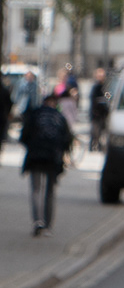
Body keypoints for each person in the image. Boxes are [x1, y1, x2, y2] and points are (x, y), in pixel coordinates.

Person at [20, 93, 71, 236]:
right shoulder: (59, 117)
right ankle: (48, 225)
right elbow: (67, 140)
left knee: (36, 189)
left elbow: (24, 136)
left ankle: (38, 221)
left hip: (35, 156)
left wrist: (31, 147)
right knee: (50, 192)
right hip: (53, 158)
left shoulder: (35, 114)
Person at [88, 66, 110, 151]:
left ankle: (99, 145)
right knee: (95, 131)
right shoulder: (96, 86)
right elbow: (93, 99)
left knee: (101, 130)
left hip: (103, 113)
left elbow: (108, 97)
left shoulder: (105, 87)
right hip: (96, 113)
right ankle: (92, 145)